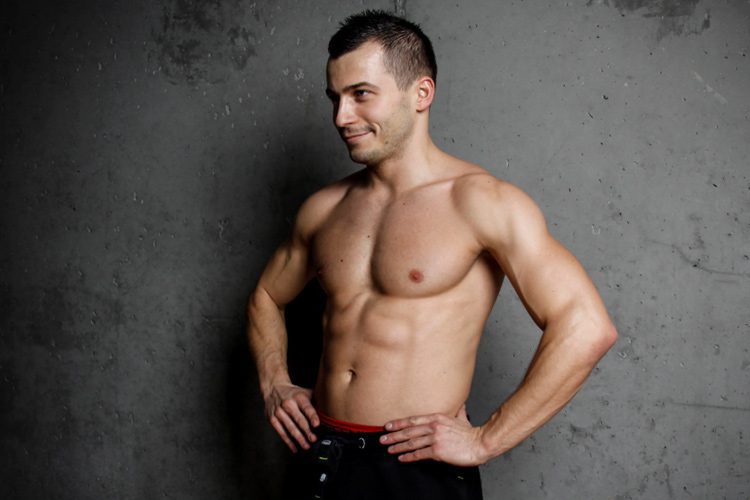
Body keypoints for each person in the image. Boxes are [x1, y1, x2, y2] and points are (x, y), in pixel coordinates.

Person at [247, 10, 618, 499]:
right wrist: (274, 381)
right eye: (335, 98)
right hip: (323, 453)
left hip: (416, 467)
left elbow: (586, 326)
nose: (341, 117)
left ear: (421, 93)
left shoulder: (482, 202)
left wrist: (485, 440)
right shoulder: (324, 209)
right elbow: (266, 296)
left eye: (361, 94)